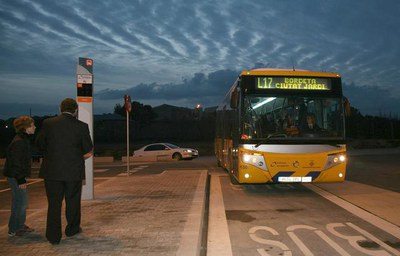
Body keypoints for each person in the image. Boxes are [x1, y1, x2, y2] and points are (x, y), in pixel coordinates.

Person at [36, 98, 93, 245]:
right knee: (73, 200)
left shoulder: (48, 124)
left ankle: (53, 236)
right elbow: (88, 149)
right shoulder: (81, 126)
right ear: (75, 110)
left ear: (60, 108)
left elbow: (40, 144)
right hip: (73, 171)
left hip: (52, 171)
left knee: (54, 203)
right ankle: (72, 229)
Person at [3, 116, 36, 237]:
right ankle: (15, 228)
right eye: (33, 125)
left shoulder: (22, 139)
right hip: (16, 176)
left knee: (20, 201)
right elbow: (16, 162)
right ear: (26, 127)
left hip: (16, 175)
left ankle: (19, 225)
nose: (35, 127)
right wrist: (20, 179)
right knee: (21, 202)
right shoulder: (19, 142)